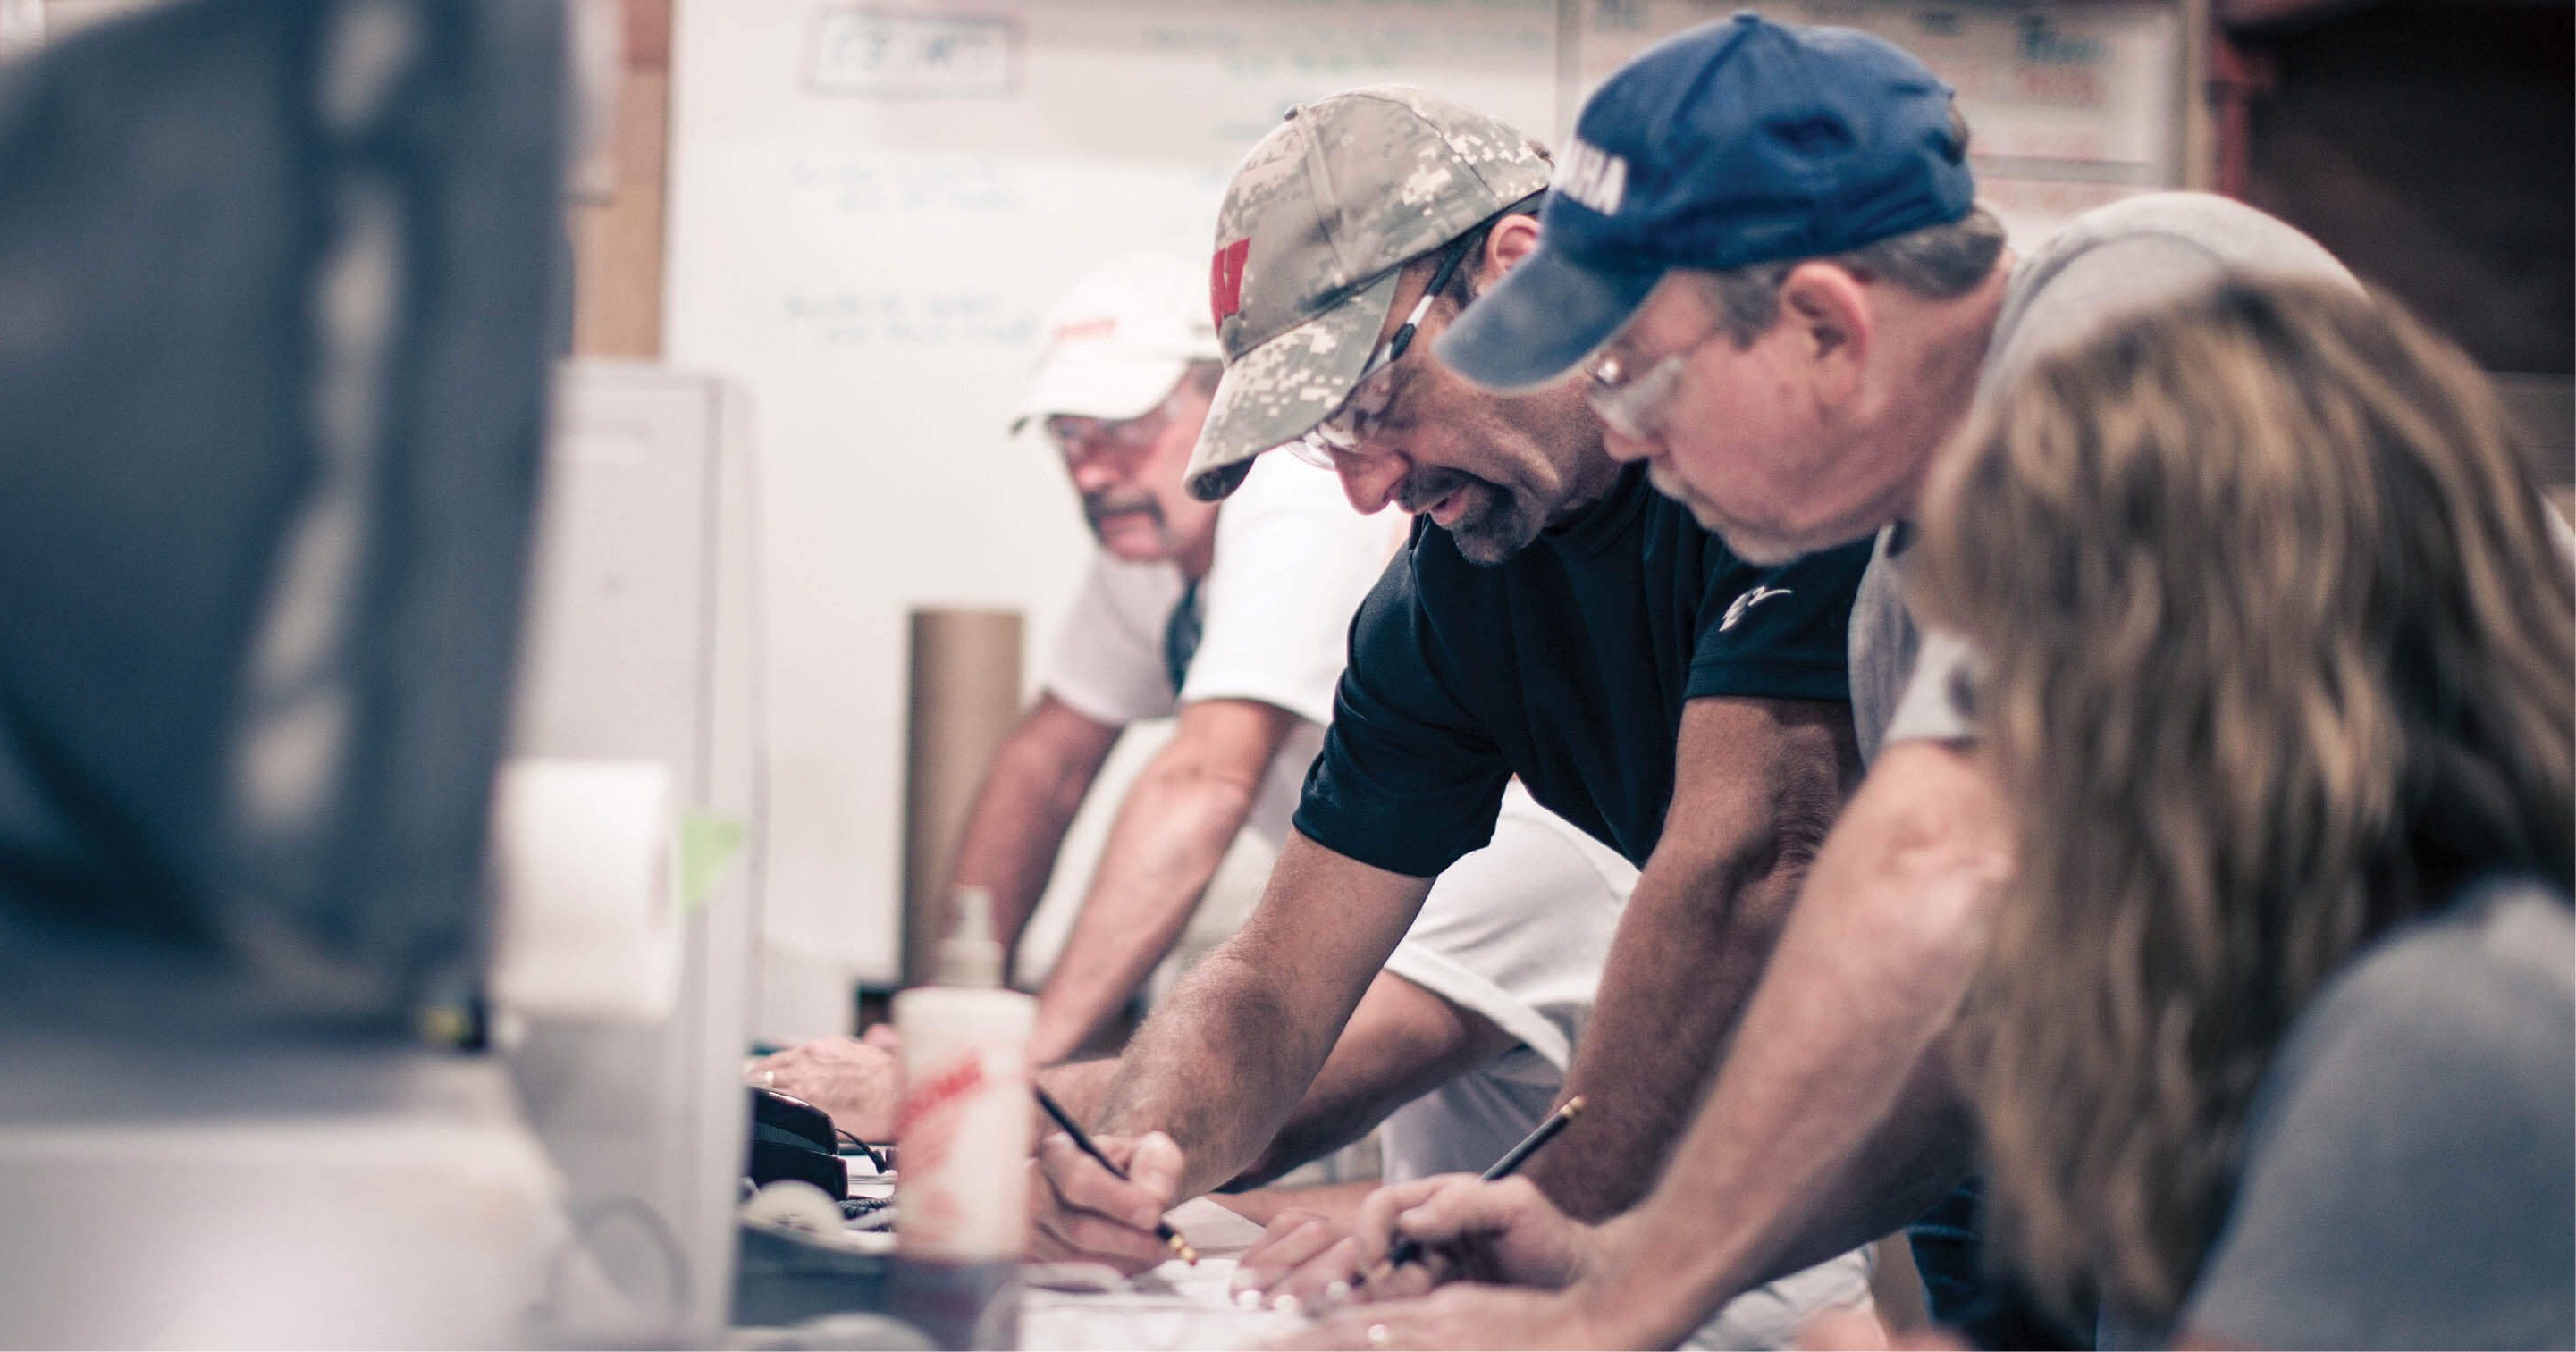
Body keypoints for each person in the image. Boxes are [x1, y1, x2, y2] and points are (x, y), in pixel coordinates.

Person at [1295, 15, 2379, 1348]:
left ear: (1821, 328)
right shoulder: (1891, 611)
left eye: (1636, 378)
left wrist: (1618, 1303)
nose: (1626, 443)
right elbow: (1959, 1051)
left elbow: (1926, 867)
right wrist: (1612, 1247)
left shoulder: (2141, 308)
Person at [1028, 85, 1875, 1318]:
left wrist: (1552, 1237)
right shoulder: (1440, 605)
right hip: (1909, 1106)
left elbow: (1749, 863)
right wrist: (1126, 1150)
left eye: (1373, 403)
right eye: (1329, 442)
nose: (1370, 487)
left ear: (1519, 273)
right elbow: (1274, 980)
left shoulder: (1770, 463)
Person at [1910, 276, 2575, 1348]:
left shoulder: (2449, 1028)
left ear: (2191, 674)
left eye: (2025, 664)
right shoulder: (2309, 985)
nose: (1999, 739)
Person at [752, 252, 1405, 1115]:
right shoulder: (1150, 533)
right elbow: (1045, 767)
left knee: (1241, 1119)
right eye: (1069, 435)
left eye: (1126, 427)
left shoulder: (1295, 492)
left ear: (1226, 403)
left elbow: (1206, 782)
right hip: (1397, 913)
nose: (1093, 469)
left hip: (1491, 898)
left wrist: (1011, 1057)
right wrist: (955, 1011)